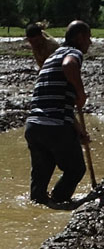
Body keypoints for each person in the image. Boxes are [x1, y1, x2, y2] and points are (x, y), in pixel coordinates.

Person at [25, 20, 92, 207]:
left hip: (34, 125)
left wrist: (77, 128)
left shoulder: (52, 56)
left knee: (40, 180)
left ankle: (38, 210)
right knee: (76, 169)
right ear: (79, 38)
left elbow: (54, 102)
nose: (90, 43)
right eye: (88, 38)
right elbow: (69, 65)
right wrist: (80, 92)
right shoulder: (73, 53)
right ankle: (59, 201)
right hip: (55, 126)